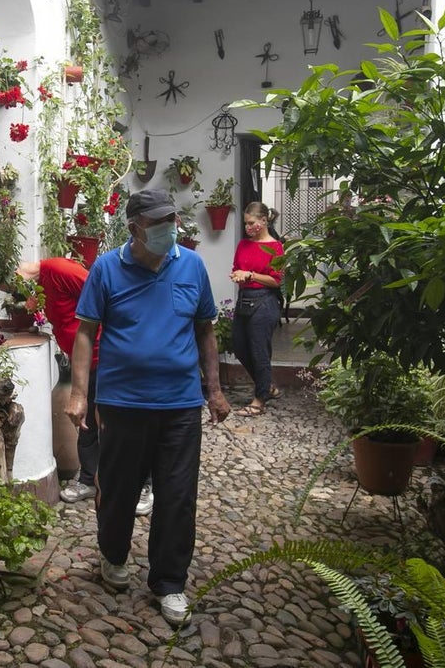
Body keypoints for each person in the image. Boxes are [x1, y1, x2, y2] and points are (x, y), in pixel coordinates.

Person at [65, 189, 230, 626]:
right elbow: (85, 333)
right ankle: (113, 555)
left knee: (177, 496)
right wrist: (80, 394)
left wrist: (213, 390)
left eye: (171, 220)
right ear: (135, 228)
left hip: (179, 405)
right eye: (158, 223)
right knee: (119, 490)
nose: (168, 229)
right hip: (121, 404)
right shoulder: (106, 268)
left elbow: (205, 330)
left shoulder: (192, 265)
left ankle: (170, 581)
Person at [14, 259, 155, 515]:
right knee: (86, 420)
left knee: (125, 423)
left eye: (11, 280)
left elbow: (103, 294)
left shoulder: (58, 269)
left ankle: (143, 485)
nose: (11, 288)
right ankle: (89, 479)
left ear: (19, 269)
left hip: (108, 355)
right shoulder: (38, 286)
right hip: (83, 361)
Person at [229, 201, 286, 417]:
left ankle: (259, 399)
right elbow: (237, 269)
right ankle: (267, 386)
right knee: (239, 346)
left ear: (263, 221)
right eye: (245, 223)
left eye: (251, 223)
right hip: (244, 299)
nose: (247, 227)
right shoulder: (243, 245)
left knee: (259, 350)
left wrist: (251, 275)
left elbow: (276, 281)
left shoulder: (276, 247)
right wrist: (238, 275)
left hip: (265, 302)